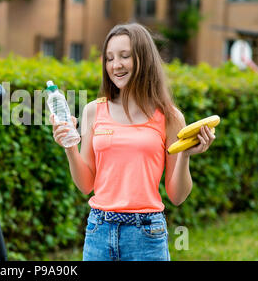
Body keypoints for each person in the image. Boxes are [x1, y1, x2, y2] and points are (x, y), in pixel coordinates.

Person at [50, 23, 216, 261]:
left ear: (143, 59)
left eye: (124, 56)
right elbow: (86, 185)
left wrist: (186, 155)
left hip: (146, 235)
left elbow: (177, 196)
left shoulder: (169, 117)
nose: (115, 65)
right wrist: (69, 147)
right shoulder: (92, 112)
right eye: (109, 58)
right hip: (99, 231)